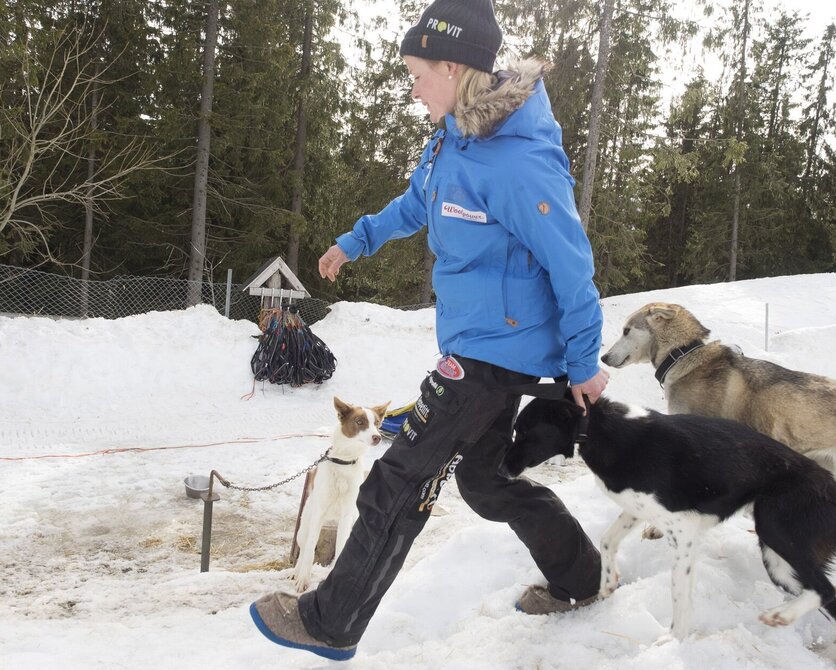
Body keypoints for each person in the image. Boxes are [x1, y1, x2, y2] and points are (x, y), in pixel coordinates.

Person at [249, 0, 610, 660]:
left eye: (418, 73)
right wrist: (356, 241)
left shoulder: (515, 162)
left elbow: (571, 262)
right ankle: (581, 578)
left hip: (490, 355)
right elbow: (418, 201)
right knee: (485, 481)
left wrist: (584, 362)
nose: (412, 88)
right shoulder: (453, 138)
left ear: (453, 67)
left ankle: (330, 622)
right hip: (479, 346)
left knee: (397, 480)